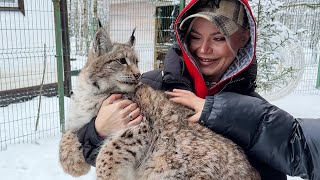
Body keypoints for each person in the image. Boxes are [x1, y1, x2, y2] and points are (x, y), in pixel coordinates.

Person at [77, 0, 320, 179]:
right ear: (183, 37)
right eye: (195, 36)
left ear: (243, 38)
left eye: (218, 38)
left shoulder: (257, 114)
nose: (203, 50)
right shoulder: (149, 84)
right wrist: (97, 131)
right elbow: (93, 154)